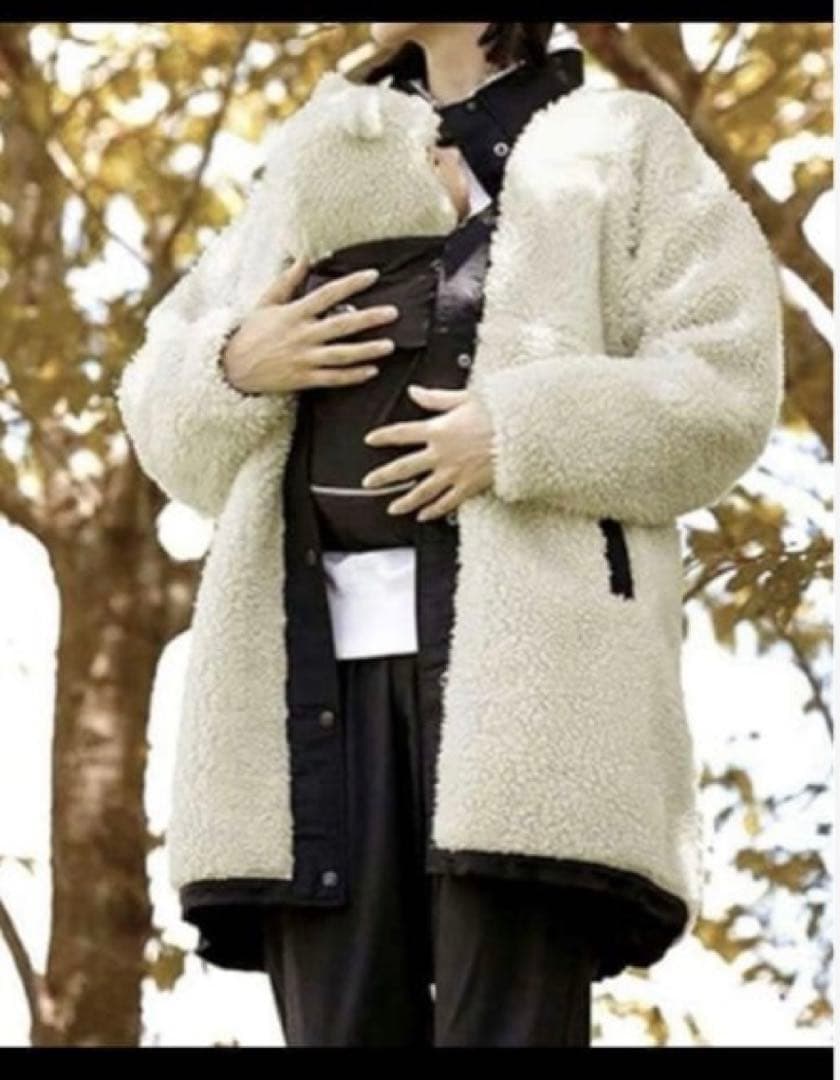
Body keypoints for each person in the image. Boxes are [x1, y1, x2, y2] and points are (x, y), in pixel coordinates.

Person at [115, 21, 785, 1048]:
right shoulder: (318, 150)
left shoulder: (624, 140)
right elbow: (163, 404)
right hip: (306, 699)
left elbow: (725, 390)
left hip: (531, 696)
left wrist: (517, 432)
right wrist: (234, 363)